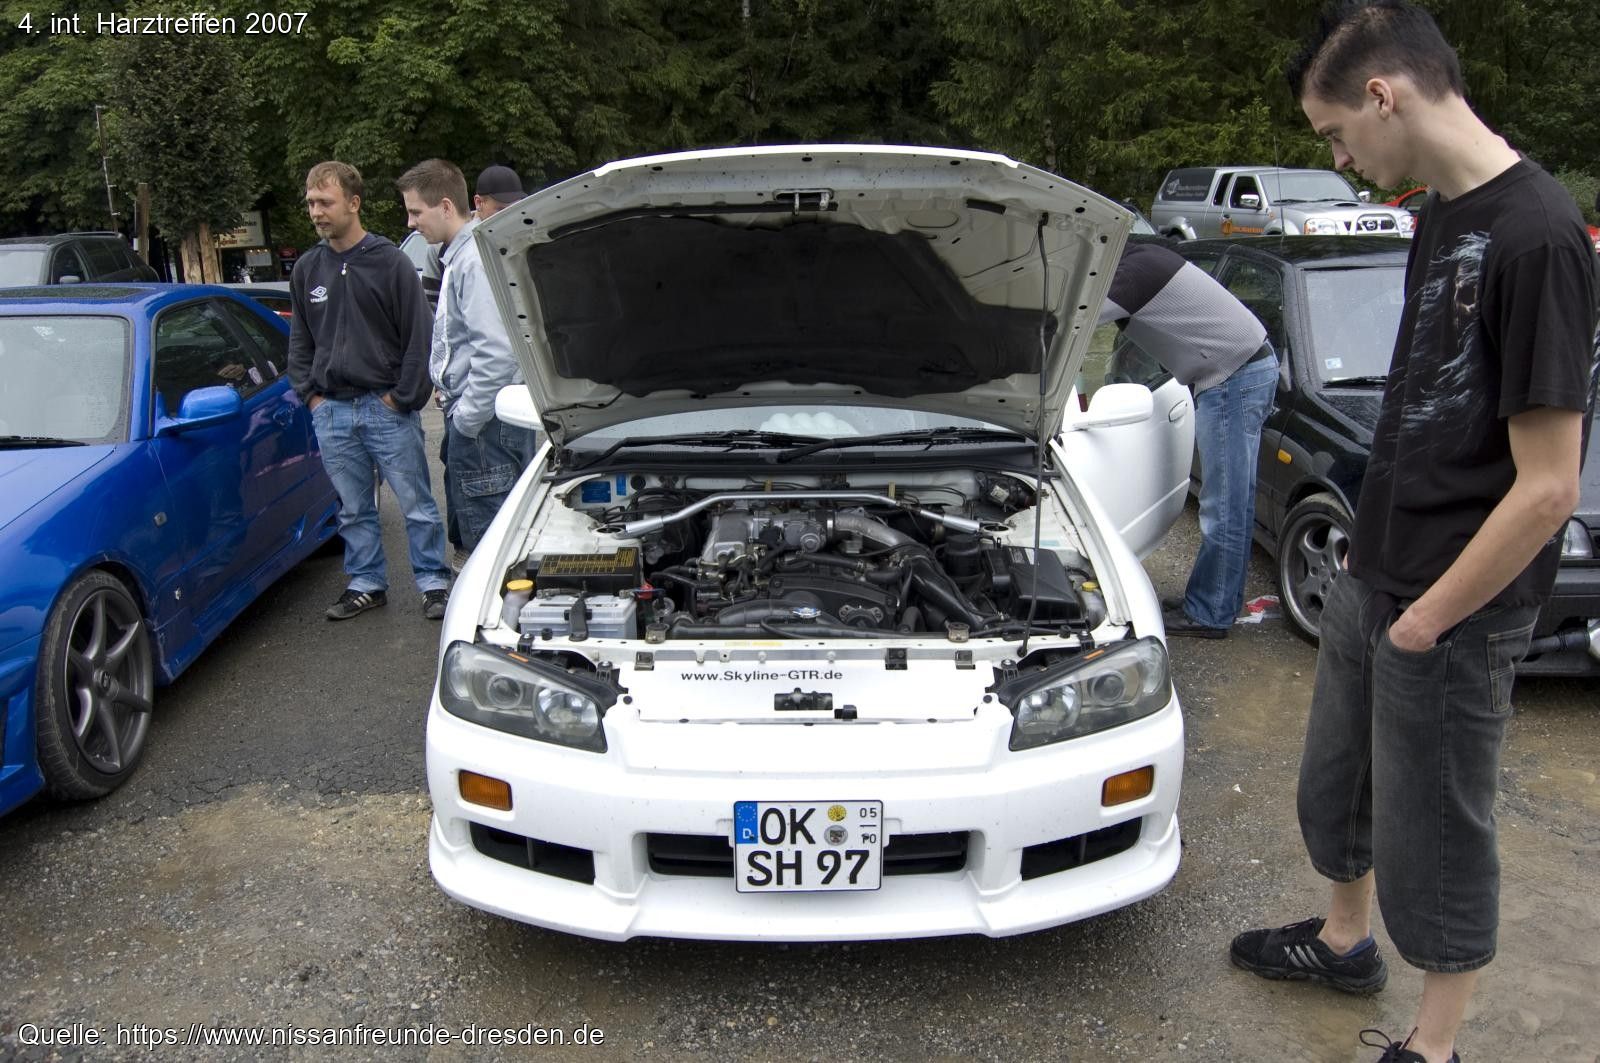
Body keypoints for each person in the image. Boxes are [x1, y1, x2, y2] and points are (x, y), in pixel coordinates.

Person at [1229, 4, 1598, 1062]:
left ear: (1382, 96)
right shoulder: (1439, 212)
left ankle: (1431, 1048)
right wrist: (1366, 562)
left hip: (1457, 604)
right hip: (1376, 564)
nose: (1339, 160)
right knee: (1336, 783)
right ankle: (1344, 942)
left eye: (1334, 134)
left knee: (1436, 828)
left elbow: (1548, 486)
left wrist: (1429, 620)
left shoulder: (1539, 236)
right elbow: (1421, 402)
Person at [287, 160, 452, 621]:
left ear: (354, 203)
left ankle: (433, 583)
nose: (316, 212)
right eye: (311, 203)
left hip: (386, 408)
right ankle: (366, 583)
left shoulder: (390, 263)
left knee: (417, 504)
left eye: (325, 202)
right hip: (332, 411)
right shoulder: (308, 269)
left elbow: (419, 338)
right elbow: (300, 341)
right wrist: (312, 397)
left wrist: (402, 398)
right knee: (354, 510)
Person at [1098, 239, 1277, 637]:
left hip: (1233, 377)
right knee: (1232, 503)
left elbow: (1072, 318)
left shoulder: (1131, 274)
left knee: (1224, 506)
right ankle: (1212, 601)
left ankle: (1209, 613)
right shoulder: (1141, 257)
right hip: (1243, 370)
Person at [397, 159, 538, 554]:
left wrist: (467, 419)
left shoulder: (473, 260)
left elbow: (497, 353)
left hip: (485, 425)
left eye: (415, 212)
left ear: (445, 206)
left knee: (490, 548)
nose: (410, 222)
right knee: (487, 535)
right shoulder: (462, 256)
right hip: (484, 419)